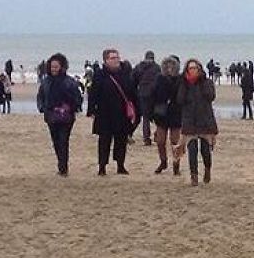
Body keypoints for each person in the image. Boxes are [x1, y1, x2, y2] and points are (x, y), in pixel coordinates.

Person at [87, 48, 137, 176]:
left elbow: (132, 92)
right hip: (104, 113)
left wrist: (136, 109)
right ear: (106, 60)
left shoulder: (125, 73)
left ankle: (120, 165)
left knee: (121, 141)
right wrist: (91, 110)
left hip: (121, 114)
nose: (116, 60)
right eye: (112, 58)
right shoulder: (100, 74)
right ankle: (102, 167)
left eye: (117, 57)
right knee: (104, 141)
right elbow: (93, 93)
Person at [37, 53, 83, 176]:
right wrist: (42, 108)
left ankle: (63, 167)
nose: (54, 69)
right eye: (52, 67)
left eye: (56, 67)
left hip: (66, 118)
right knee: (56, 142)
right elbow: (41, 97)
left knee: (63, 141)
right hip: (51, 116)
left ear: (62, 67)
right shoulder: (46, 82)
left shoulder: (70, 82)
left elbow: (78, 98)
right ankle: (60, 163)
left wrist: (70, 108)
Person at [176, 58, 217, 186]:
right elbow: (180, 100)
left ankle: (207, 169)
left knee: (205, 150)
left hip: (205, 120)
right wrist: (184, 83)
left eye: (195, 68)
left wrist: (201, 81)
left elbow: (211, 96)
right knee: (192, 149)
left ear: (199, 69)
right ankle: (194, 176)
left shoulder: (207, 82)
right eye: (190, 68)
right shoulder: (184, 83)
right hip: (190, 121)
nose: (193, 71)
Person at [151, 55, 183, 175]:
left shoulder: (180, 79)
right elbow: (153, 95)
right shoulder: (159, 78)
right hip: (161, 114)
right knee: (160, 141)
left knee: (175, 142)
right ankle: (163, 161)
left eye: (172, 65)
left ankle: (176, 164)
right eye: (167, 65)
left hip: (175, 114)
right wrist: (151, 113)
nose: (169, 68)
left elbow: (182, 97)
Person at [132, 50, 161, 146]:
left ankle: (146, 138)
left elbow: (133, 79)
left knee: (145, 117)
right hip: (154, 94)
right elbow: (159, 81)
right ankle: (157, 135)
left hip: (142, 94)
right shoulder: (156, 67)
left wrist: (136, 91)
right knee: (157, 116)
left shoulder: (139, 67)